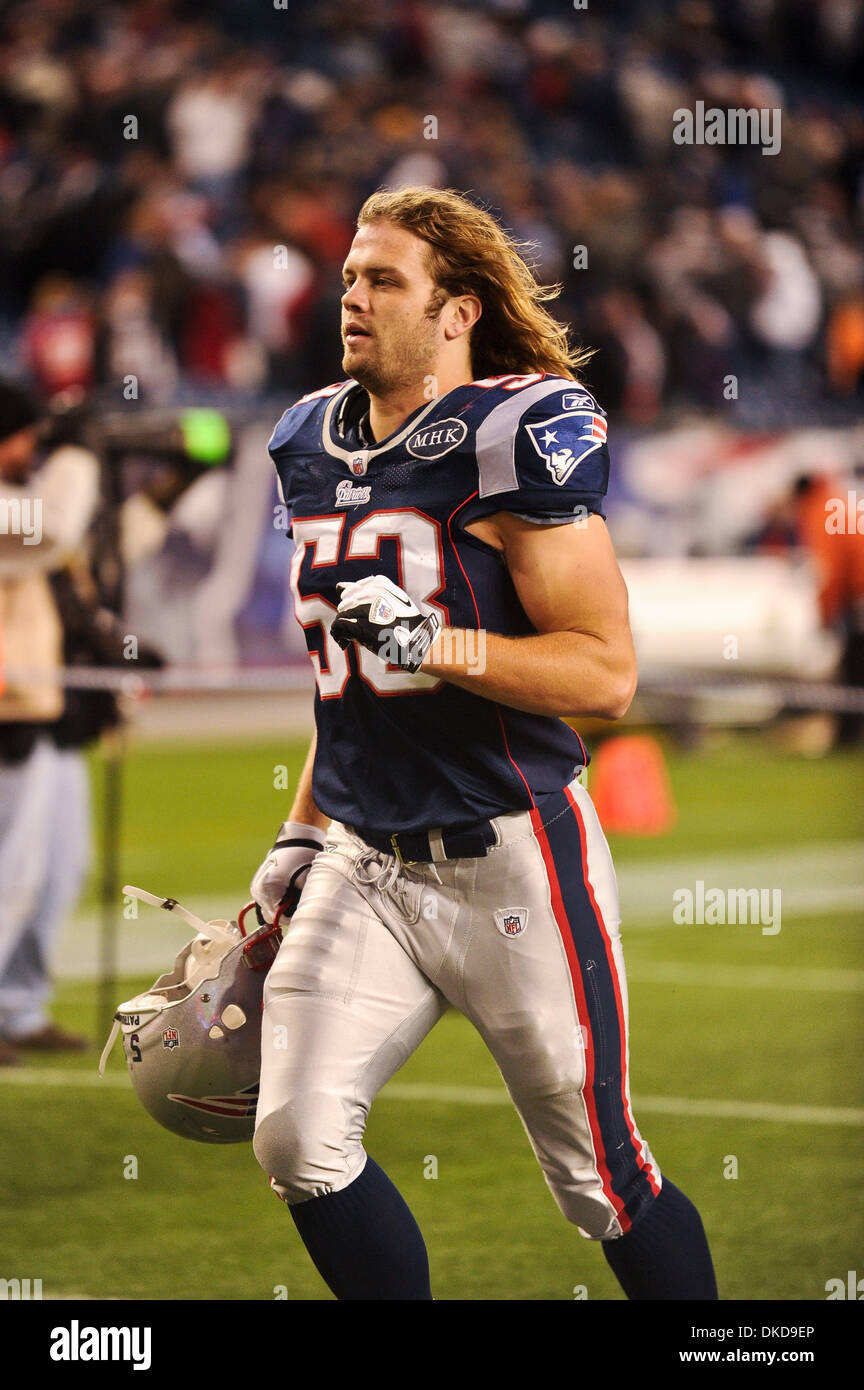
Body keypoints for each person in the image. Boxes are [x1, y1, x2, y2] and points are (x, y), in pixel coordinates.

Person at [249, 187, 718, 1301]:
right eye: (352, 277)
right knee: (297, 1137)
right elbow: (347, 689)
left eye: (385, 280)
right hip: (363, 860)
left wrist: (437, 638)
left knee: (600, 1177)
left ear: (456, 310)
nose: (352, 297)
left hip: (513, 858)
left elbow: (604, 671)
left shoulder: (516, 432)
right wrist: (295, 840)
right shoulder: (305, 438)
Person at [0, 381, 99, 1063]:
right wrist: (78, 455)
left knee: (33, 873)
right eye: (25, 436)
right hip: (8, 715)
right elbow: (55, 527)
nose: (32, 451)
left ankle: (17, 1007)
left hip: (24, 712)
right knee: (9, 875)